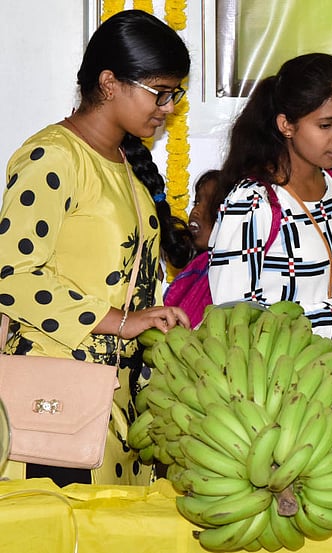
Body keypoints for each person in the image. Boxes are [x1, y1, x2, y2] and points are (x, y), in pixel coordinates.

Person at [0, 10, 194, 486]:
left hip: (118, 397)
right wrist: (122, 322)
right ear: (109, 83)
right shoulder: (53, 156)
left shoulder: (125, 161)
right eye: (160, 92)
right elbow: (12, 276)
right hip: (57, 396)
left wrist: (151, 320)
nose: (168, 107)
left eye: (175, 94)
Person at [207, 53, 332, 342]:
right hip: (277, 379)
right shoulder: (252, 201)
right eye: (326, 125)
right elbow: (233, 321)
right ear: (286, 125)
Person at [163, 169, 221, 328]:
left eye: (209, 204)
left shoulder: (226, 273)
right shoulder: (196, 268)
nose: (195, 211)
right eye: (196, 202)